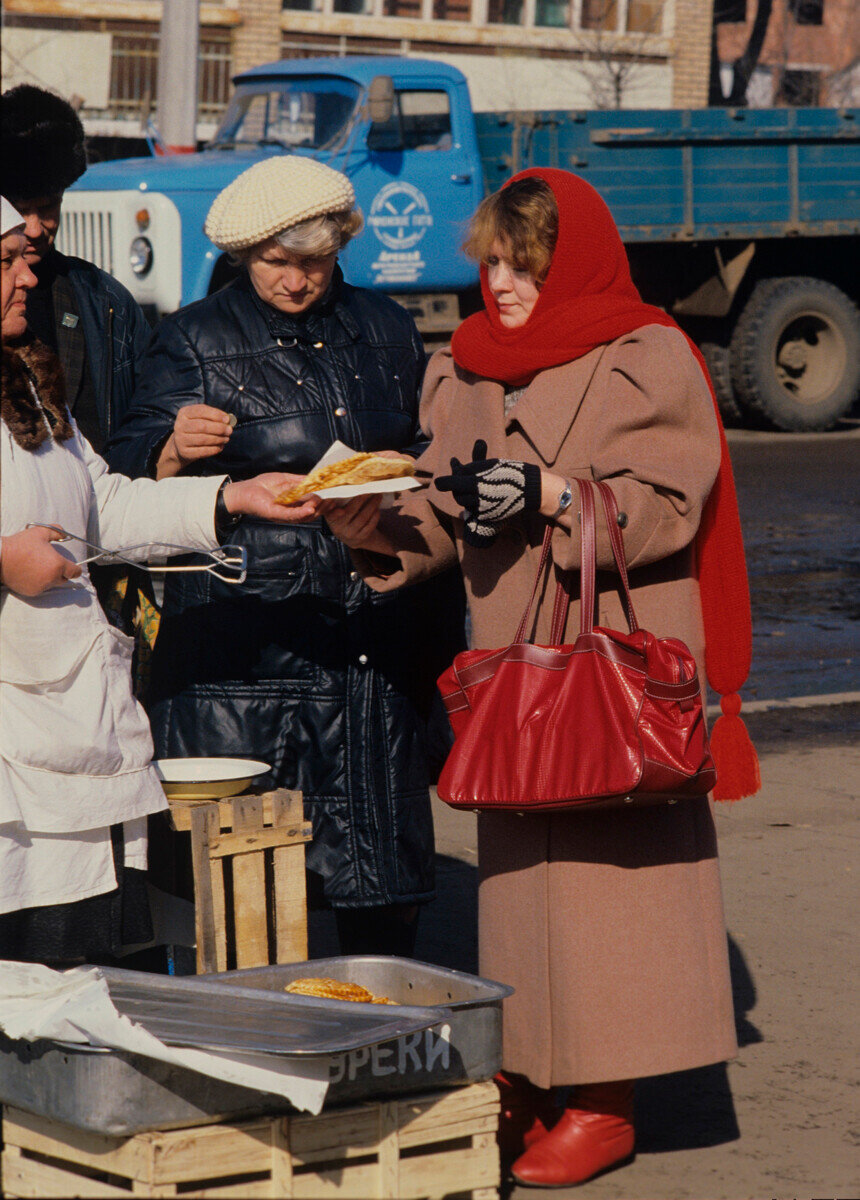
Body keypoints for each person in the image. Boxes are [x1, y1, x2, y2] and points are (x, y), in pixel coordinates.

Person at [322, 169, 760, 1187]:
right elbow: (433, 508)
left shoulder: (645, 353)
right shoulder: (465, 362)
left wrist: (559, 494)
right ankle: (525, 1070)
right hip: (513, 673)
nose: (499, 281)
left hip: (612, 666)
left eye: (523, 261)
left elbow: (667, 511)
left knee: (614, 895)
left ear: (574, 262)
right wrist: (374, 526)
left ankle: (606, 1099)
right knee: (523, 892)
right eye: (489, 258)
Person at [106, 157, 466, 958]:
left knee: (383, 920)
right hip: (248, 669)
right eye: (277, 263)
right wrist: (170, 448)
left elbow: (426, 459)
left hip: (369, 666)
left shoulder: (388, 328)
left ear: (341, 245)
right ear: (245, 256)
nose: (297, 281)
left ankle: (369, 1069)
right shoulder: (196, 338)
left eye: (315, 261)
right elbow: (119, 484)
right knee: (251, 922)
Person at [0, 196, 322, 966]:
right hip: (14, 743)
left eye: (21, 257)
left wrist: (232, 497)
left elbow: (102, 504)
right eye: (5, 261)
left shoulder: (26, 378)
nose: (26, 272)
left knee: (68, 976)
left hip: (69, 730)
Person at [1, 85, 151, 450]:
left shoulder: (105, 300)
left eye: (49, 207)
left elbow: (149, 419)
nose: (35, 229)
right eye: (21, 210)